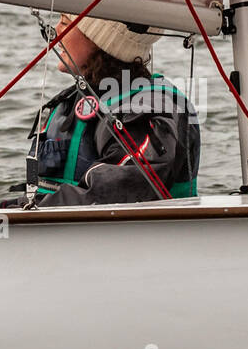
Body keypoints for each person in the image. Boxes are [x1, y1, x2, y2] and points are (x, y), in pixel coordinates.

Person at [26, 14, 200, 206]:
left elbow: (117, 192)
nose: (56, 29)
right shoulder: (70, 101)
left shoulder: (152, 110)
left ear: (99, 42)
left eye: (66, 23)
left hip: (130, 234)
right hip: (59, 230)